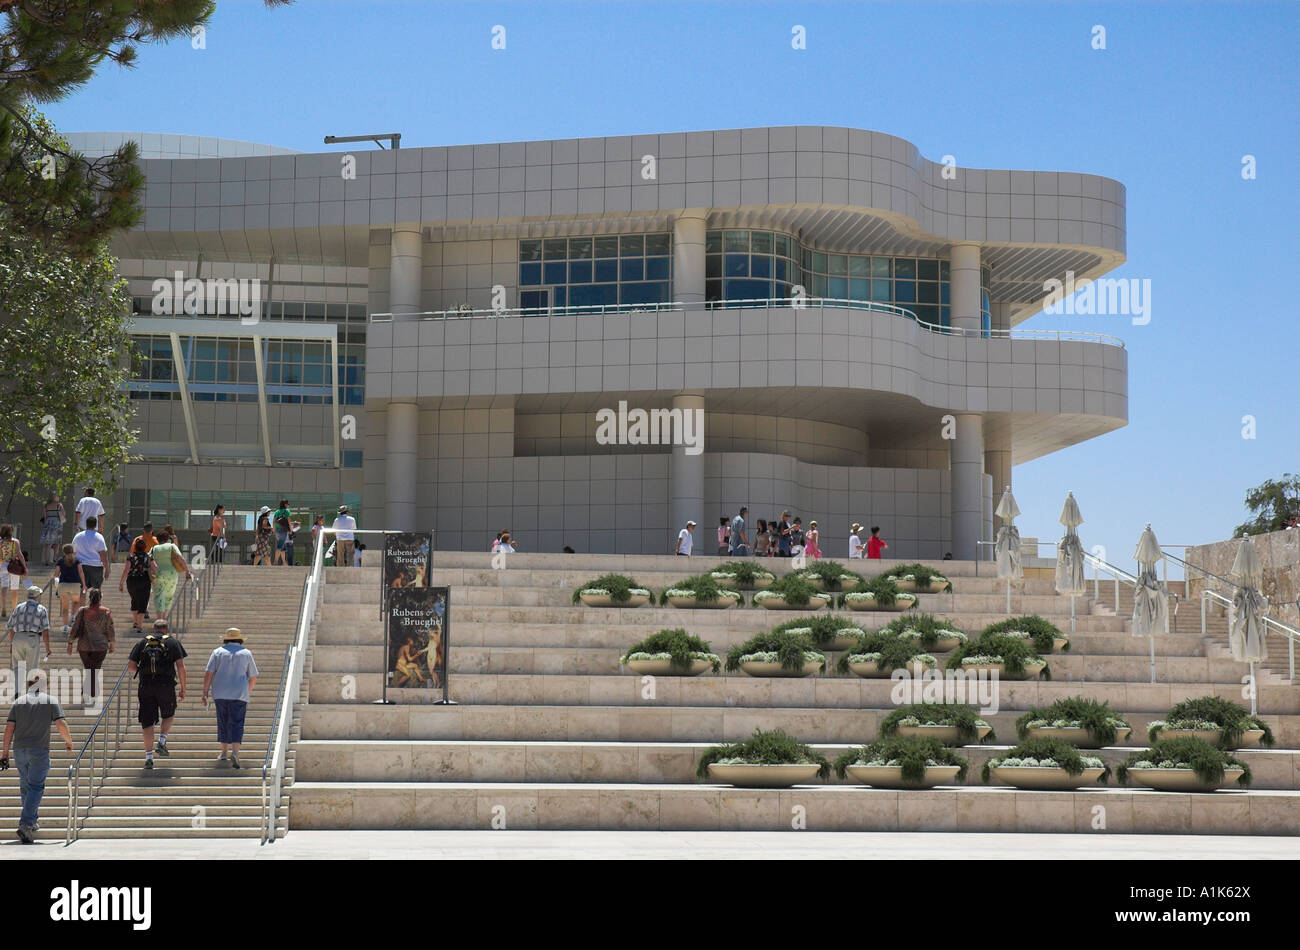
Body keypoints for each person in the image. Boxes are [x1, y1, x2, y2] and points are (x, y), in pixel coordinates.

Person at [3, 670, 73, 843]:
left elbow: (9, 729)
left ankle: (31, 821)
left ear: (28, 684)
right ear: (44, 684)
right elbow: (61, 723)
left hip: (19, 750)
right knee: (36, 787)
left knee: (26, 786)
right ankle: (26, 824)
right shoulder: (50, 701)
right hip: (39, 750)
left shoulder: (18, 702)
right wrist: (68, 742)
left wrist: (4, 753)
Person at [128, 618, 188, 769]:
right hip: (166, 685)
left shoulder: (143, 642)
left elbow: (131, 666)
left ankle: (149, 757)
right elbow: (181, 666)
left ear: (153, 629)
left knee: (147, 723)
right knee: (169, 714)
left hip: (146, 685)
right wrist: (183, 687)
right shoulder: (173, 642)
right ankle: (162, 741)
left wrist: (142, 673)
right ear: (166, 630)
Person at [202, 628, 257, 769]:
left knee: (223, 721)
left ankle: (224, 752)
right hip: (239, 694)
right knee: (237, 723)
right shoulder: (246, 653)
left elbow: (209, 673)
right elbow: (252, 677)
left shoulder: (217, 652)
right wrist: (247, 692)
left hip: (220, 693)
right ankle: (236, 753)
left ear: (226, 639)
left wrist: (205, 692)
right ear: (240, 640)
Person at [66, 587, 115, 699]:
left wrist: (70, 642)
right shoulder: (106, 611)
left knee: (89, 668)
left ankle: (88, 691)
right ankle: (91, 692)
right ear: (100, 598)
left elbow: (75, 627)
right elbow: (110, 629)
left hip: (84, 645)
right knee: (95, 669)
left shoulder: (82, 611)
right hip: (100, 645)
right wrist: (112, 643)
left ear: (89, 597)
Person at [6, 586, 50, 679]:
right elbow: (45, 630)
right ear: (37, 596)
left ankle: (17, 691)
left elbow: (11, 626)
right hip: (32, 637)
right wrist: (47, 648)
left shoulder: (18, 607)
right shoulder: (41, 609)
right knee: (32, 668)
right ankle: (31, 692)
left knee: (17, 667)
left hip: (17, 638)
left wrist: (12, 643)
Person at [149, 531, 191, 617]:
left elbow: (149, 559)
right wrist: (187, 571)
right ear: (168, 539)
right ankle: (164, 618)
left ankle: (159, 618)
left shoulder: (153, 548)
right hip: (171, 574)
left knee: (158, 596)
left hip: (158, 574)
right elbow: (181, 558)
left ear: (157, 539)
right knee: (169, 596)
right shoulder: (172, 546)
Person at [119, 536, 155, 632]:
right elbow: (155, 567)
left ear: (135, 546)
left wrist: (121, 583)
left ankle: (135, 621)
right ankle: (139, 625)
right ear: (145, 547)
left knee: (134, 600)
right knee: (143, 603)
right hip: (145, 581)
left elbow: (126, 570)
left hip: (132, 580)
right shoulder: (149, 556)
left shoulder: (130, 556)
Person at [46, 544, 84, 632]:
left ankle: (65, 626)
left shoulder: (60, 560)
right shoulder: (77, 560)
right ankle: (74, 616)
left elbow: (56, 574)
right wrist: (84, 584)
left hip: (63, 585)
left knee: (65, 608)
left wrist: (52, 579)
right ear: (72, 550)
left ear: (63, 552)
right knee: (76, 602)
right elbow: (81, 572)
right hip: (75, 584)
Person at [72, 516, 109, 595]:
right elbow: (103, 555)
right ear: (96, 525)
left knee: (82, 590)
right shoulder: (99, 537)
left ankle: (82, 607)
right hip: (96, 566)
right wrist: (107, 569)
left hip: (81, 566)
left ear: (86, 524)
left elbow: (73, 552)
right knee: (97, 590)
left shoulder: (78, 536)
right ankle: (96, 606)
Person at [0, 524, 28, 618]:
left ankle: (3, 608)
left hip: (4, 565)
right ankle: (14, 609)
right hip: (14, 566)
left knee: (4, 586)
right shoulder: (15, 541)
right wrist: (25, 567)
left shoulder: (1, 542)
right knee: (14, 588)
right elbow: (20, 555)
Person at [39, 491, 65, 566]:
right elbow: (64, 514)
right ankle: (54, 559)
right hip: (57, 524)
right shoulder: (59, 505)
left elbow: (45, 516)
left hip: (48, 523)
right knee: (57, 543)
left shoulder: (46, 505)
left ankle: (46, 561)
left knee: (48, 544)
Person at [272, 499, 293, 566]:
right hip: (283, 530)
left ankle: (284, 562)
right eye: (287, 504)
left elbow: (274, 521)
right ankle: (275, 562)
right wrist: (290, 530)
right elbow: (289, 521)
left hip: (277, 531)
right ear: (285, 504)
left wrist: (274, 531)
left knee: (283, 547)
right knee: (279, 546)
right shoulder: (287, 511)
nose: (288, 505)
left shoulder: (277, 512)